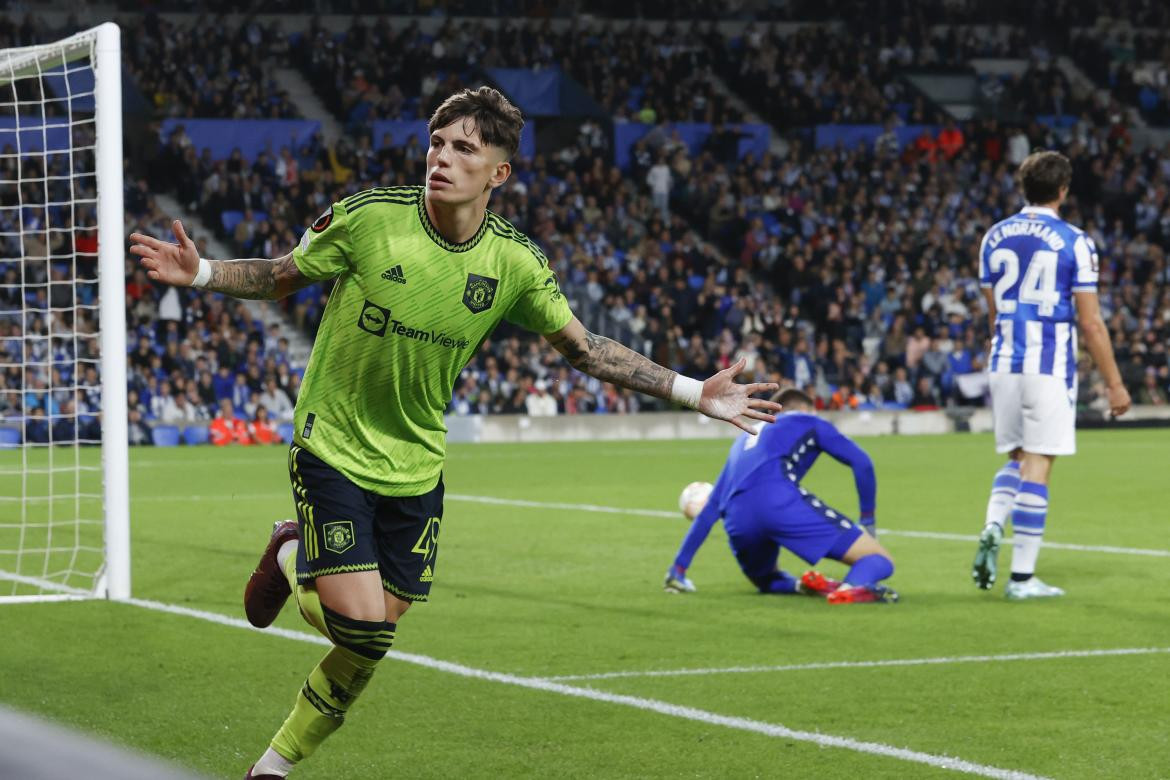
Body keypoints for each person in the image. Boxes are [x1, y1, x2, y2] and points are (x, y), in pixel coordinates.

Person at [129, 86, 780, 780]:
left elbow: (586, 350)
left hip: (416, 466)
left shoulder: (513, 263)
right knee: (362, 628)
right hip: (334, 445)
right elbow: (281, 275)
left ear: (499, 172)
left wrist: (690, 391)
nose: (442, 158)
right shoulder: (370, 218)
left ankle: (272, 767)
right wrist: (200, 273)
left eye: (464, 148)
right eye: (438, 142)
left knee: (369, 642)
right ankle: (292, 552)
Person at [972, 150, 1130, 600]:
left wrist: (996, 343)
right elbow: (1092, 323)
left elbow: (992, 311)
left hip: (1003, 361)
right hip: (1047, 366)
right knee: (1040, 463)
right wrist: (1115, 383)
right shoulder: (1074, 240)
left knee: (1017, 457)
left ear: (1024, 188)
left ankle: (991, 525)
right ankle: (1022, 578)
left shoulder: (993, 236)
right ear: (1063, 190)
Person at [665, 388, 897, 605]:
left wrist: (679, 568)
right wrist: (867, 520)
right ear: (806, 408)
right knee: (878, 559)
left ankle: (805, 586)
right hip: (779, 502)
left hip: (738, 520)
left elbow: (711, 508)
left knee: (767, 580)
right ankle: (850, 588)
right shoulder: (809, 421)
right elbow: (862, 462)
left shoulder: (743, 440)